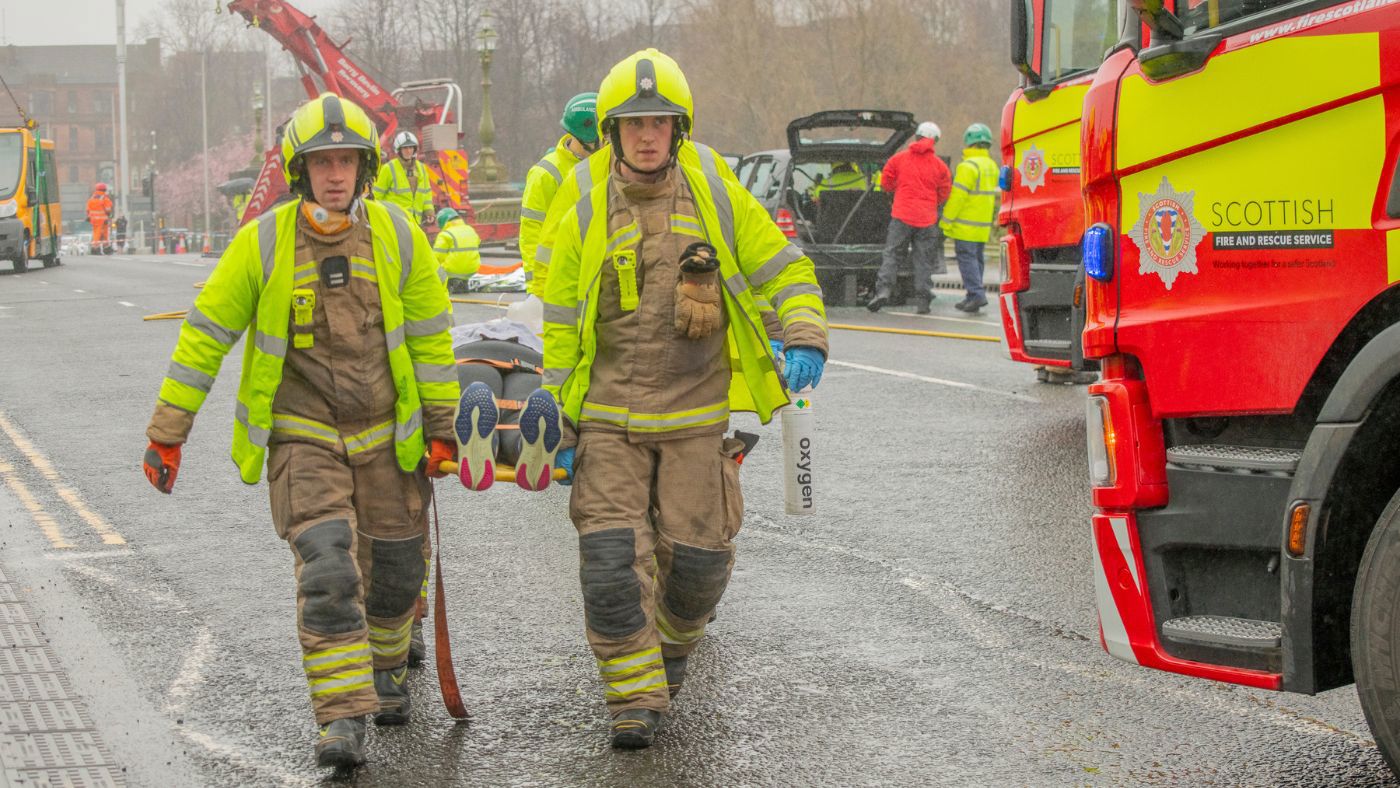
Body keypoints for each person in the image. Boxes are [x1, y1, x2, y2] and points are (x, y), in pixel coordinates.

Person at [140, 93, 459, 770]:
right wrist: (169, 432)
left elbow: (433, 343)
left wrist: (442, 430)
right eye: (323, 162)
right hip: (302, 437)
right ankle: (341, 719)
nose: (336, 174)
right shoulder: (263, 243)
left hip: (387, 441)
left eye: (347, 160)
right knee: (327, 567)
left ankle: (385, 669)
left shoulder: (400, 238)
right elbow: (205, 337)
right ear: (300, 170)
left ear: (365, 168)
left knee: (397, 574)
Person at [543, 48, 829, 750]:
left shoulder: (714, 192)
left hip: (696, 416)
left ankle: (667, 655)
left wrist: (805, 336)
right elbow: (558, 322)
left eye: (660, 123)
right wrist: (559, 416)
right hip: (608, 414)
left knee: (698, 565)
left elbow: (783, 268)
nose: (647, 135)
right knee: (611, 564)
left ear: (680, 129)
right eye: (634, 123)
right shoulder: (580, 201)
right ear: (612, 132)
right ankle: (632, 701)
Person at [867, 121, 951, 314]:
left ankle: (883, 291)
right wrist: (931, 203)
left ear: (917, 137)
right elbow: (944, 192)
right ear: (935, 141)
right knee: (923, 259)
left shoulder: (898, 159)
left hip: (902, 216)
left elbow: (886, 181)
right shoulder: (940, 166)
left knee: (892, 254)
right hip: (927, 220)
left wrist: (895, 192)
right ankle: (923, 299)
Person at [521, 93, 600, 291]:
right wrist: (537, 288)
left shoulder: (606, 164)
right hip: (558, 278)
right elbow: (531, 234)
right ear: (587, 135)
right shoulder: (545, 174)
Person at [941, 123, 1000, 313]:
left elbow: (958, 197)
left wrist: (945, 222)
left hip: (965, 226)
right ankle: (972, 295)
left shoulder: (967, 166)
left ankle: (976, 295)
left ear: (969, 142)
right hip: (982, 226)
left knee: (967, 261)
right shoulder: (991, 165)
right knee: (977, 261)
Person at [373, 130, 435, 226]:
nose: (408, 151)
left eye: (411, 147)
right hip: (394, 222)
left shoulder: (422, 169)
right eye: (405, 148)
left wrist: (429, 211)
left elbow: (426, 193)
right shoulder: (388, 168)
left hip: (415, 222)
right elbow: (377, 196)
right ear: (399, 150)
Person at [433, 207, 482, 289]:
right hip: (472, 270)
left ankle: (450, 283)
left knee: (432, 267)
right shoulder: (470, 230)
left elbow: (436, 257)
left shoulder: (445, 234)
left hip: (451, 272)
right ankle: (462, 283)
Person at [86, 183, 114, 254]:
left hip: (93, 219)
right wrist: (109, 214)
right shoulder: (104, 198)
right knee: (104, 233)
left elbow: (88, 209)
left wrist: (89, 216)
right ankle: (103, 247)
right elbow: (108, 209)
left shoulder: (92, 198)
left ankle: (96, 247)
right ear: (104, 189)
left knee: (96, 233)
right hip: (102, 219)